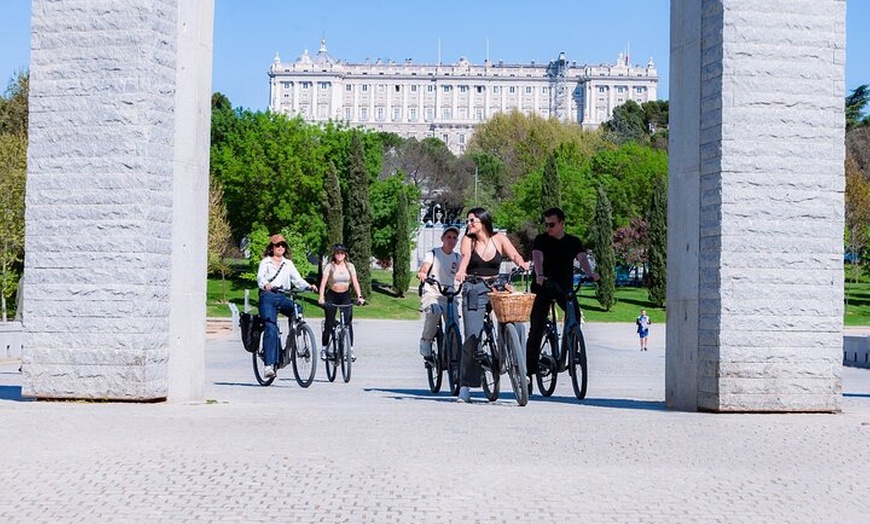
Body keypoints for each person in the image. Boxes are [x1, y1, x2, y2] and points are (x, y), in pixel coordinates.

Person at [454, 208, 529, 403]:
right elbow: (465, 259)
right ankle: (464, 385)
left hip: (497, 286)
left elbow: (514, 255)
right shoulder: (468, 241)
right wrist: (462, 272)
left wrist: (523, 264)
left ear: (484, 222)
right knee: (472, 336)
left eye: (472, 221)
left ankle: (519, 367)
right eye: (468, 221)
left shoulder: (500, 239)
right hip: (474, 287)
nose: (468, 224)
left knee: (517, 324)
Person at [526, 208, 599, 391]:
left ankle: (573, 351)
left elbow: (582, 258)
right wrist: (539, 274)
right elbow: (537, 257)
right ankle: (529, 372)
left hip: (563, 288)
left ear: (561, 223)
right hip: (544, 286)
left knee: (574, 313)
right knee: (537, 327)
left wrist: (590, 273)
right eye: (546, 224)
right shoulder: (541, 240)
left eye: (552, 224)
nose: (548, 227)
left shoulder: (573, 241)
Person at [257, 234, 317, 379]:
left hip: (282, 296)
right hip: (268, 296)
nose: (281, 248)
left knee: (297, 310)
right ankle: (269, 365)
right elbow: (260, 277)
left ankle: (294, 338)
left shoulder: (288, 263)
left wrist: (308, 286)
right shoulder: (266, 262)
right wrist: (266, 284)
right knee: (271, 327)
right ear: (272, 247)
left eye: (283, 245)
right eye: (278, 245)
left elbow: (297, 279)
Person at [417, 225, 462, 361]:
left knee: (454, 324)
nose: (451, 240)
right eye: (448, 237)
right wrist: (423, 273)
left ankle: (454, 360)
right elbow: (425, 265)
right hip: (433, 293)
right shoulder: (433, 254)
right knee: (434, 311)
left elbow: (462, 271)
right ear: (442, 238)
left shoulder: (457, 257)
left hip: (450, 296)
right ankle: (426, 341)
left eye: (454, 238)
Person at [318, 243, 365, 361]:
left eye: (342, 253)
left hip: (345, 295)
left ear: (345, 254)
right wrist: (321, 297)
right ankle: (324, 348)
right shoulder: (330, 266)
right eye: (337, 253)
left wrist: (359, 296)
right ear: (334, 254)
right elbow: (323, 283)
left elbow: (355, 282)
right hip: (332, 295)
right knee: (329, 323)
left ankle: (350, 350)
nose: (340, 255)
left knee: (348, 324)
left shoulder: (350, 266)